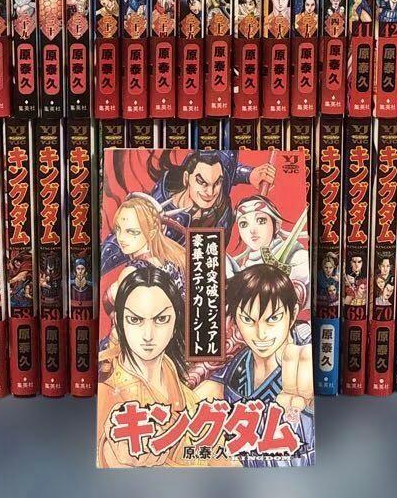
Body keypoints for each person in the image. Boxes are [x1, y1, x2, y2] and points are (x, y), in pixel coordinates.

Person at [194, 265, 314, 467]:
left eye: (273, 319)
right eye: (248, 320)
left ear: (292, 314)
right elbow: (201, 397)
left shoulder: (304, 351)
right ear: (235, 319)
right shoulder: (237, 366)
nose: (261, 333)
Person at [97, 266, 204, 468]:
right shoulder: (105, 389)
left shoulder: (185, 393)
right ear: (119, 322)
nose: (148, 335)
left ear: (175, 323)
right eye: (135, 320)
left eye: (161, 319)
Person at [149, 150, 275, 233]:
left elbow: (224, 170)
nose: (210, 193)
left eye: (217, 183)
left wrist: (250, 174)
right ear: (186, 178)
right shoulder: (160, 209)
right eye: (202, 182)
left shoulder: (216, 178)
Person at [226, 195, 311, 309]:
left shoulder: (298, 257)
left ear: (277, 225)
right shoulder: (244, 268)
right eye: (244, 224)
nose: (252, 230)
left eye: (261, 220)